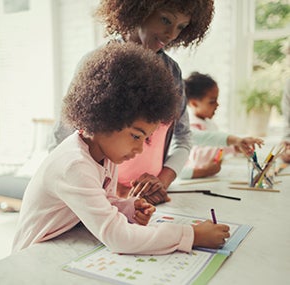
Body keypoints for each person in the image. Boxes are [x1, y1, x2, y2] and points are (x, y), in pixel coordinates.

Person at [12, 42, 230, 254]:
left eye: (144, 139)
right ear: (104, 117)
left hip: (65, 247)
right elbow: (119, 238)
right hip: (34, 258)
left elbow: (101, 200)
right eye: (136, 135)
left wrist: (128, 208)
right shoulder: (74, 164)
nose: (139, 149)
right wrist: (191, 235)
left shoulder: (104, 156)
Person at [49, 0, 215, 205]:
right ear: (139, 9)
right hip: (98, 197)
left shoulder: (172, 73)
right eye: (166, 20)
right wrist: (96, 192)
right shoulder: (98, 63)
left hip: (146, 201)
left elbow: (183, 137)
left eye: (181, 27)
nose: (171, 34)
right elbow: (62, 139)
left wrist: (160, 182)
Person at [179, 72, 264, 179]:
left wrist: (236, 146)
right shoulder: (191, 126)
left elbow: (218, 144)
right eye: (212, 101)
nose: (217, 104)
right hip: (196, 180)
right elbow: (198, 157)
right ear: (194, 103)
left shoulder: (209, 123)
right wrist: (232, 147)